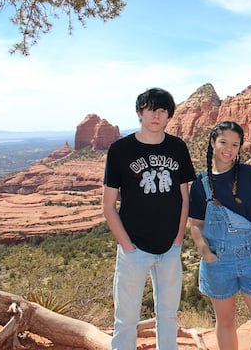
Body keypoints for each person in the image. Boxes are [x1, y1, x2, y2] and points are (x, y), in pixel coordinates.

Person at [102, 87, 196, 350]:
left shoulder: (177, 147)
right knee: (125, 320)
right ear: (140, 112)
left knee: (168, 316)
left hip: (170, 250)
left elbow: (184, 198)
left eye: (163, 110)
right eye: (151, 109)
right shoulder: (120, 150)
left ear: (169, 116)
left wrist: (178, 240)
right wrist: (127, 246)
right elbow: (108, 206)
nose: (157, 115)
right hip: (134, 250)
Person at [188, 121, 251, 350]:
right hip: (218, 262)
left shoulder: (250, 175)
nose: (229, 148)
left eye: (235, 144)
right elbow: (195, 224)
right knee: (225, 322)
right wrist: (205, 252)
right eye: (224, 142)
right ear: (212, 142)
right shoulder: (201, 183)